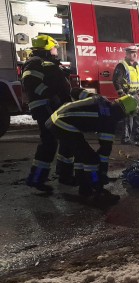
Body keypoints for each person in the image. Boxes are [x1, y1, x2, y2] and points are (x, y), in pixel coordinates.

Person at [46, 91, 139, 203]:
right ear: (124, 114)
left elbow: (75, 90)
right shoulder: (110, 120)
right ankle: (97, 189)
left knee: (82, 156)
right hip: (63, 124)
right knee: (91, 159)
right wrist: (102, 174)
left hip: (56, 118)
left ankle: (84, 188)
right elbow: (105, 151)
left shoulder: (101, 99)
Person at [23, 35, 72, 192]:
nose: (56, 50)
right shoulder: (35, 63)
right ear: (47, 48)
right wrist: (52, 98)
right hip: (45, 107)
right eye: (54, 47)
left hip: (53, 107)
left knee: (61, 140)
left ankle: (61, 175)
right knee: (51, 142)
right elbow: (31, 84)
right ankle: (37, 179)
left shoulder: (43, 63)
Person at [113, 46, 139, 145]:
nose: (135, 54)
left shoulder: (136, 65)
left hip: (136, 94)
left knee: (138, 115)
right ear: (127, 54)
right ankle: (125, 138)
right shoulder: (122, 66)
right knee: (129, 117)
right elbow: (116, 81)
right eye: (132, 53)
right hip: (127, 94)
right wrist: (122, 94)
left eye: (135, 53)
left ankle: (138, 136)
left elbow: (138, 81)